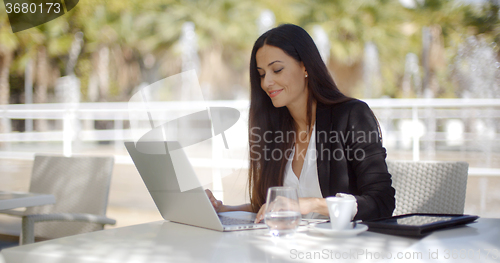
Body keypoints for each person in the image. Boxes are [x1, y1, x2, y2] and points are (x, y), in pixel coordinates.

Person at [205, 23, 395, 223]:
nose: (266, 82)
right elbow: (269, 206)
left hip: (345, 248)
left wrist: (312, 204)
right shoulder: (274, 130)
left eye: (276, 70)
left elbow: (382, 202)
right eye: (261, 74)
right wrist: (222, 209)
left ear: (305, 66)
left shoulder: (351, 116)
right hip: (286, 247)